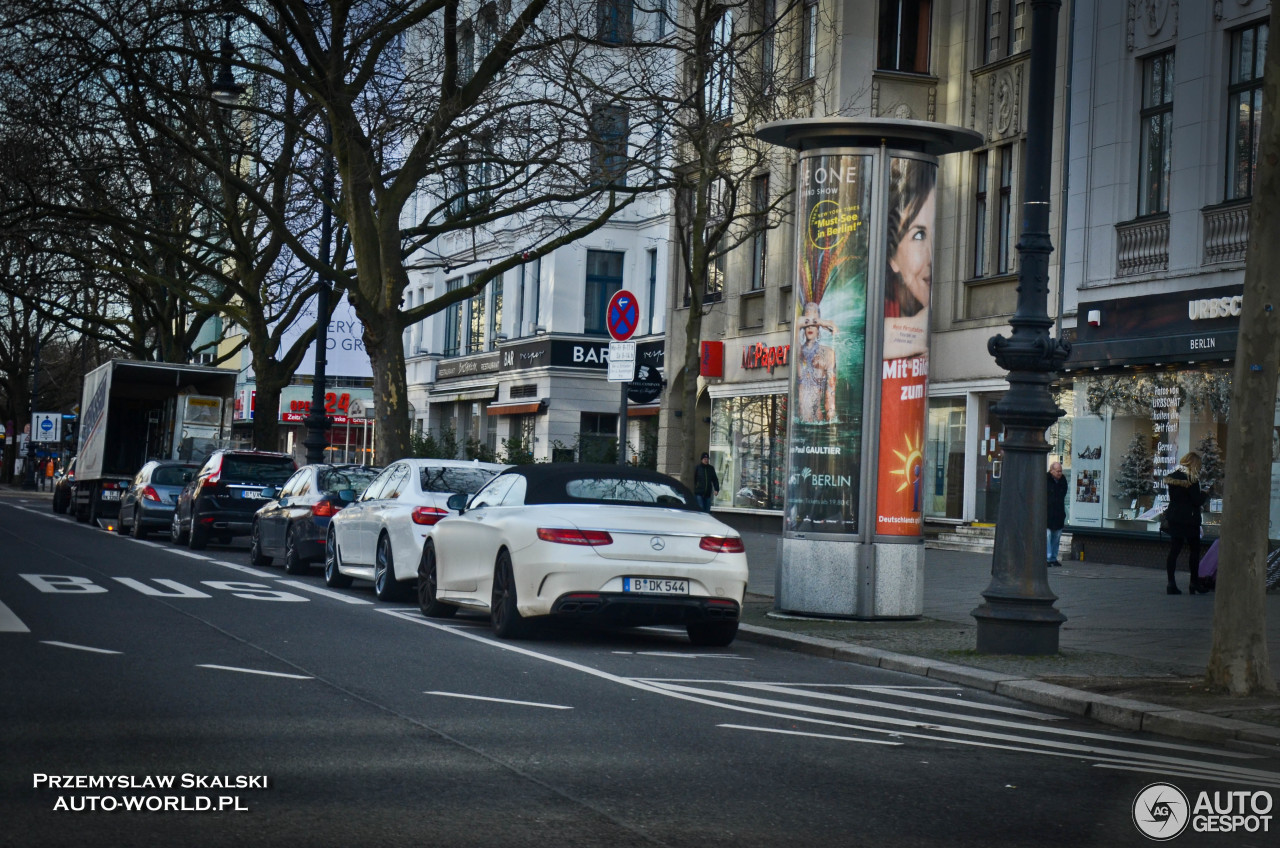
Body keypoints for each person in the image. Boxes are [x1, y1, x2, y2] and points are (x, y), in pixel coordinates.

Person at [883, 160, 937, 361]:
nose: (931, 257)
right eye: (919, 235)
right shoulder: (872, 304)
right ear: (892, 257)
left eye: (934, 233)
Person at [1164, 451, 1209, 595]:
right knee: (1194, 550)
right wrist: (1205, 493)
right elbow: (1196, 501)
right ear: (1194, 464)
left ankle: (1171, 583)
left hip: (1174, 517)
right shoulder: (1192, 479)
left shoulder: (1174, 476)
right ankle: (1194, 583)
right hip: (1189, 519)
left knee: (1174, 550)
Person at [796, 302, 837, 423]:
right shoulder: (798, 352)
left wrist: (830, 422)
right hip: (800, 421)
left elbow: (831, 392)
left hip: (817, 423)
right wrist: (822, 322)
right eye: (807, 322)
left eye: (814, 323)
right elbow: (796, 323)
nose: (810, 326)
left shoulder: (828, 354)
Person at [1046, 461, 1068, 567]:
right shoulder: (1045, 480)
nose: (1059, 473)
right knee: (1048, 535)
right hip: (1047, 514)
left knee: (1056, 537)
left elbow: (1062, 495)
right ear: (1051, 471)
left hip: (1058, 513)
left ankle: (1053, 558)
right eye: (1057, 471)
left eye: (1060, 471)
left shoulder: (1063, 481)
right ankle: (1047, 558)